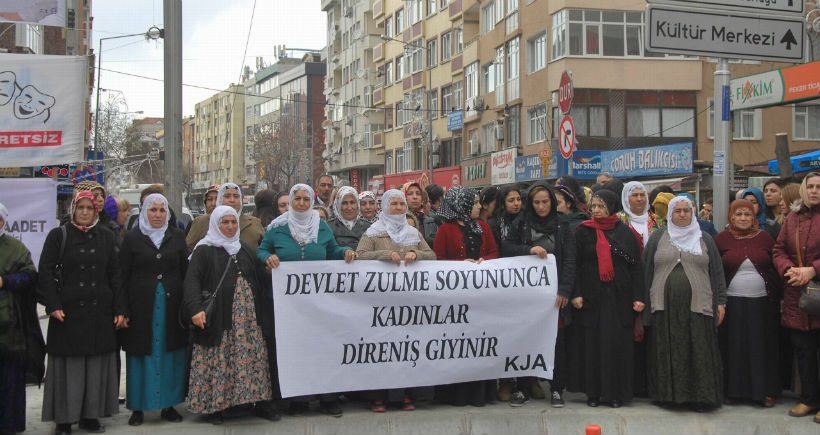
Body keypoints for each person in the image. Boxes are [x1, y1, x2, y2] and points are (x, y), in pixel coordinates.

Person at [257, 184, 357, 417]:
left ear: (312, 202)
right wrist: (268, 258)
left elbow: (332, 250)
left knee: (320, 347)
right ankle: (297, 399)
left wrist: (344, 253)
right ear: (290, 201)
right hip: (286, 304)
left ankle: (327, 398)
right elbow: (261, 250)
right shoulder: (277, 227)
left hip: (317, 304)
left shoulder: (321, 227)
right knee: (292, 350)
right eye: (297, 199)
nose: (301, 203)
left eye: (306, 199)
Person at [38, 191, 127, 435]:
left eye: (90, 207)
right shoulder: (60, 235)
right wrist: (53, 305)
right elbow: (45, 272)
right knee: (69, 368)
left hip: (99, 312)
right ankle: (64, 419)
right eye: (81, 207)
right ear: (73, 209)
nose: (85, 212)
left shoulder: (107, 236)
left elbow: (115, 275)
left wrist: (120, 308)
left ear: (96, 211)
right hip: (67, 313)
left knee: (95, 366)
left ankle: (90, 416)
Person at [184, 206, 280, 424]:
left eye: (233, 222)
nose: (229, 226)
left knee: (250, 359)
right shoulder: (204, 250)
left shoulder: (244, 248)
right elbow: (191, 282)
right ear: (215, 224)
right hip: (218, 319)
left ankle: (254, 402)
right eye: (224, 222)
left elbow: (259, 276)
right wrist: (196, 309)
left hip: (248, 320)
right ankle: (215, 407)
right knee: (219, 359)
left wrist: (270, 268)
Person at [356, 189, 436, 412]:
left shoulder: (413, 233)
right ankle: (378, 396)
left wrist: (415, 253)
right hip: (380, 304)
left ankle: (403, 395)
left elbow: (432, 255)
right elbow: (360, 255)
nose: (399, 208)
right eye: (394, 204)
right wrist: (383, 255)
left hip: (408, 303)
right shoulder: (374, 232)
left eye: (402, 204)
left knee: (404, 348)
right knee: (381, 349)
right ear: (385, 207)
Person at [643, 196, 726, 412]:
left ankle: (702, 397)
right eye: (677, 211)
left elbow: (716, 272)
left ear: (693, 213)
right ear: (670, 214)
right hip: (665, 307)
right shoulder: (658, 238)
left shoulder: (705, 238)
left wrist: (721, 302)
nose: (682, 214)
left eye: (686, 211)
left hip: (699, 305)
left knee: (698, 348)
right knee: (668, 348)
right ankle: (669, 396)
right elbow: (646, 272)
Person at [501, 182, 576, 408]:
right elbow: (507, 249)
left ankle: (556, 388)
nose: (541, 207)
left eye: (545, 202)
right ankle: (522, 387)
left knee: (557, 343)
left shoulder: (562, 224)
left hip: (555, 296)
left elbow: (571, 260)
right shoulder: (521, 223)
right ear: (530, 204)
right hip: (528, 297)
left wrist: (564, 290)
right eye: (537, 202)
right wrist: (529, 250)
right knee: (527, 340)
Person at [568, 189, 644, 409]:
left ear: (611, 207)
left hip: (619, 298)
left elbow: (636, 267)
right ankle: (593, 393)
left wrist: (639, 296)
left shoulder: (624, 233)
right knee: (593, 346)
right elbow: (576, 265)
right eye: (594, 206)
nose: (597, 210)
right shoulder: (583, 232)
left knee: (616, 346)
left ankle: (615, 394)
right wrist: (577, 293)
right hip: (592, 299)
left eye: (601, 206)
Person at [119, 194, 189, 426]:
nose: (158, 215)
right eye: (153, 210)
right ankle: (138, 407)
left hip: (170, 305)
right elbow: (122, 276)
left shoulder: (177, 236)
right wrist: (123, 309)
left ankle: (169, 405)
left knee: (171, 355)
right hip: (141, 307)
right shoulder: (131, 238)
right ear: (144, 212)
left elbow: (184, 271)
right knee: (141, 356)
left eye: (162, 210)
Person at [433, 186, 500, 408]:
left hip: (481, 297)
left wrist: (483, 262)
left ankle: (479, 393)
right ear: (461, 205)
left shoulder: (483, 227)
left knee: (479, 342)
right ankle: (456, 394)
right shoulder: (445, 230)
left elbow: (493, 253)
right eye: (475, 203)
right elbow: (438, 261)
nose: (479, 206)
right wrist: (460, 267)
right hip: (455, 298)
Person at [713, 198, 780, 408]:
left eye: (747, 214)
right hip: (731, 305)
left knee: (762, 347)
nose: (743, 218)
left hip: (762, 305)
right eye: (738, 214)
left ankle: (764, 392)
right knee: (734, 347)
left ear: (754, 217)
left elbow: (775, 267)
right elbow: (715, 271)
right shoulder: (721, 239)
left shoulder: (766, 238)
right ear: (731, 217)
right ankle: (733, 391)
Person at [772, 172, 820, 421]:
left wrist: (813, 269)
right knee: (804, 350)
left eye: (818, 187)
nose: (814, 191)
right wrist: (789, 270)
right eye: (810, 186)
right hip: (797, 294)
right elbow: (779, 249)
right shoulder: (793, 217)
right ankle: (809, 400)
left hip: (817, 286)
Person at [0, 202, 43, 435]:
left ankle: (10, 426)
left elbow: (29, 277)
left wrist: (5, 281)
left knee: (10, 383)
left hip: (10, 327)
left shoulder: (15, 248)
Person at [187, 183, 264, 253]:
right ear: (220, 199)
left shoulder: (254, 223)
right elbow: (188, 250)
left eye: (236, 196)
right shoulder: (202, 222)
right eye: (227, 196)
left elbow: (265, 250)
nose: (232, 200)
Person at [619, 181, 660, 248]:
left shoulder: (657, 220)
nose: (639, 199)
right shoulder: (618, 220)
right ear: (626, 199)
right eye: (635, 195)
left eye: (642, 195)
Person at [328, 186, 371, 250]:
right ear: (338, 205)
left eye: (352, 202)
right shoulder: (329, 227)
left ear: (357, 205)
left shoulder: (369, 227)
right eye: (344, 203)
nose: (349, 207)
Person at [487, 185, 523, 250]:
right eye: (511, 200)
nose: (516, 203)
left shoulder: (526, 219)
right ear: (503, 203)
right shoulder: (494, 224)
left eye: (518, 199)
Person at [403, 182, 438, 247]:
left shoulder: (432, 221)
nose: (415, 197)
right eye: (410, 194)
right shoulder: (397, 221)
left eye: (418, 194)